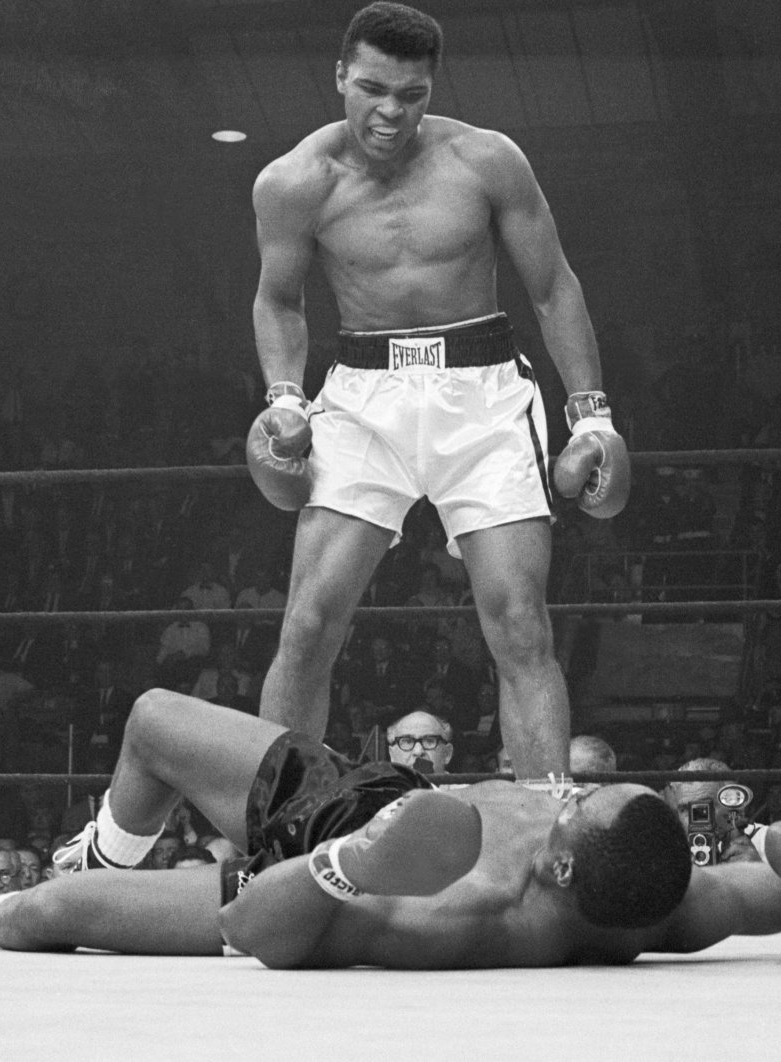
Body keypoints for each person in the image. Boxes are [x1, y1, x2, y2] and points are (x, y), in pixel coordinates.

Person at [0, 689, 781, 968]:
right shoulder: (670, 897)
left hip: (323, 870)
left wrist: (348, 864)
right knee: (153, 720)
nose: (559, 792)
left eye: (573, 803)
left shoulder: (461, 914)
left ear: (564, 859)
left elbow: (253, 929)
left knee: (52, 914)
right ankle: (95, 841)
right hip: (365, 796)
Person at [244, 2, 629, 780]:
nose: (390, 112)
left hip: (482, 395)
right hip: (362, 396)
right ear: (342, 77)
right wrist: (285, 397)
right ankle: (277, 837)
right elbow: (279, 299)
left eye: (411, 94)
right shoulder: (293, 182)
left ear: (432, 88)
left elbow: (553, 287)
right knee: (310, 623)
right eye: (374, 89)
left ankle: (544, 829)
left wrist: (594, 415)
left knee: (520, 624)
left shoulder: (486, 161)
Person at [384, 710, 454, 774]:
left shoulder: (464, 788)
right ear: (392, 755)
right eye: (408, 742)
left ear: (447, 754)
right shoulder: (381, 788)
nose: (418, 752)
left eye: (429, 741)